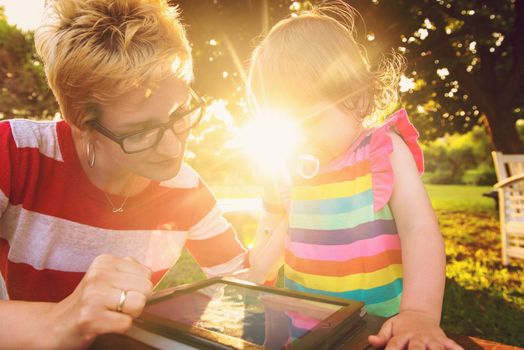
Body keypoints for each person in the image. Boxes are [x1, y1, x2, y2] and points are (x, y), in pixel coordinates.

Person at [0, 0, 248, 348]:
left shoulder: (188, 190)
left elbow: (244, 287)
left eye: (179, 113)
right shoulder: (13, 154)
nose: (172, 149)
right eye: (141, 132)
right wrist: (59, 321)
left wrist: (283, 221)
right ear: (81, 125)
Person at [245, 2, 463, 349]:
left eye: (310, 121)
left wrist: (420, 313)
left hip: (376, 326)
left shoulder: (382, 150)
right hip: (302, 323)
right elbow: (292, 223)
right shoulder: (294, 166)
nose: (299, 138)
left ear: (359, 98)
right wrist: (258, 273)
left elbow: (419, 229)